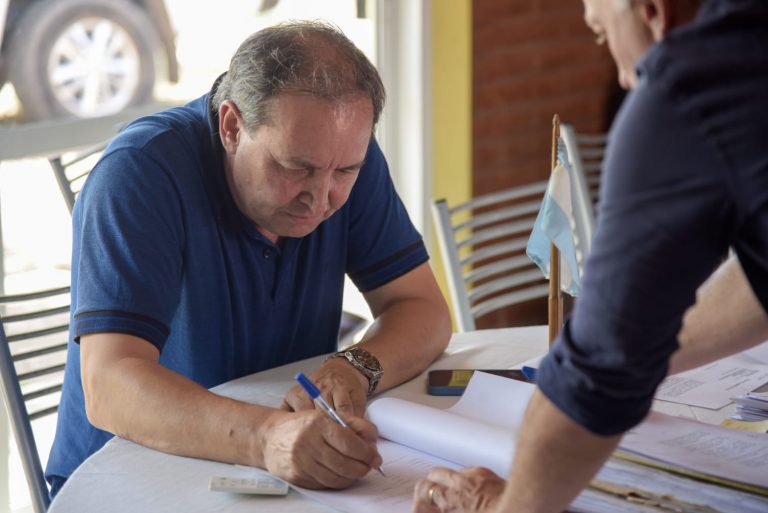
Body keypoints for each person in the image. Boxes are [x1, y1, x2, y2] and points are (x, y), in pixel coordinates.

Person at [45, 21, 451, 498]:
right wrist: (266, 438)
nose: (320, 198)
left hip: (272, 471)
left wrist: (356, 366)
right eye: (295, 167)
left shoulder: (336, 153)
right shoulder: (139, 173)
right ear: (232, 127)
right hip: (126, 477)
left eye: (344, 172)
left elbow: (421, 308)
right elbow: (110, 384)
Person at [412, 0, 768, 511]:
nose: (623, 78)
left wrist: (506, 507)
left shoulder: (691, 87)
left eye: (603, 34)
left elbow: (599, 374)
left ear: (652, 11)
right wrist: (652, 349)